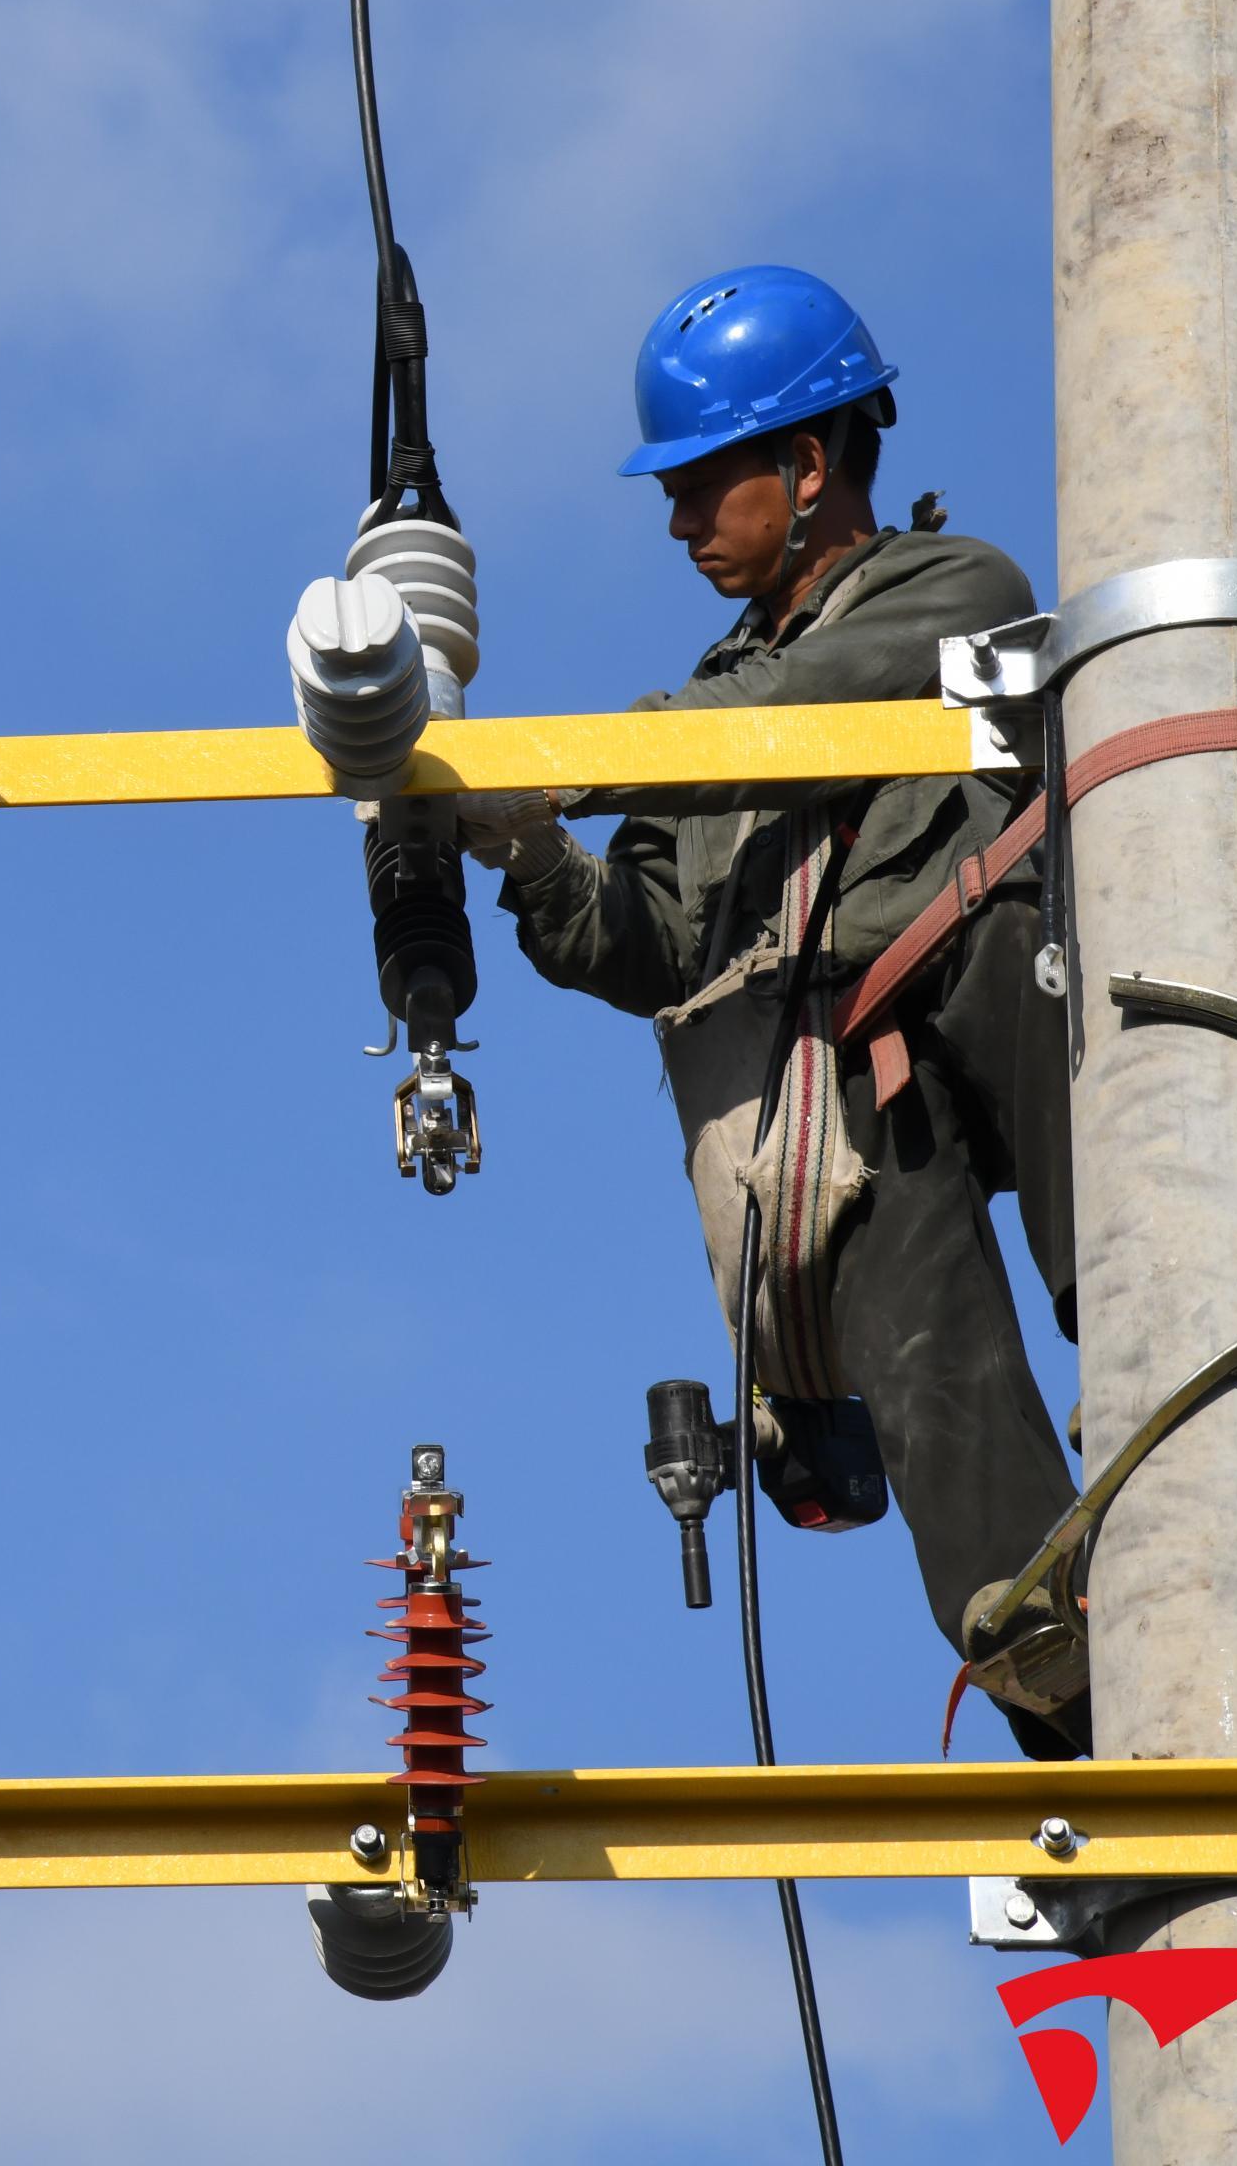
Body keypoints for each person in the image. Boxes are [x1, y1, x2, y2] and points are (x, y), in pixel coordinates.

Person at [461, 265, 1090, 1759]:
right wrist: (529, 849)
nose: (681, 524)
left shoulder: (957, 593)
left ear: (810, 465)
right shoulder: (712, 699)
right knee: (931, 1379)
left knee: (1133, 1250)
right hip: (845, 1089)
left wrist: (575, 762)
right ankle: (1072, 1700)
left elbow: (806, 704)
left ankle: (1183, 1371)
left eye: (702, 486)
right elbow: (653, 946)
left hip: (991, 992)